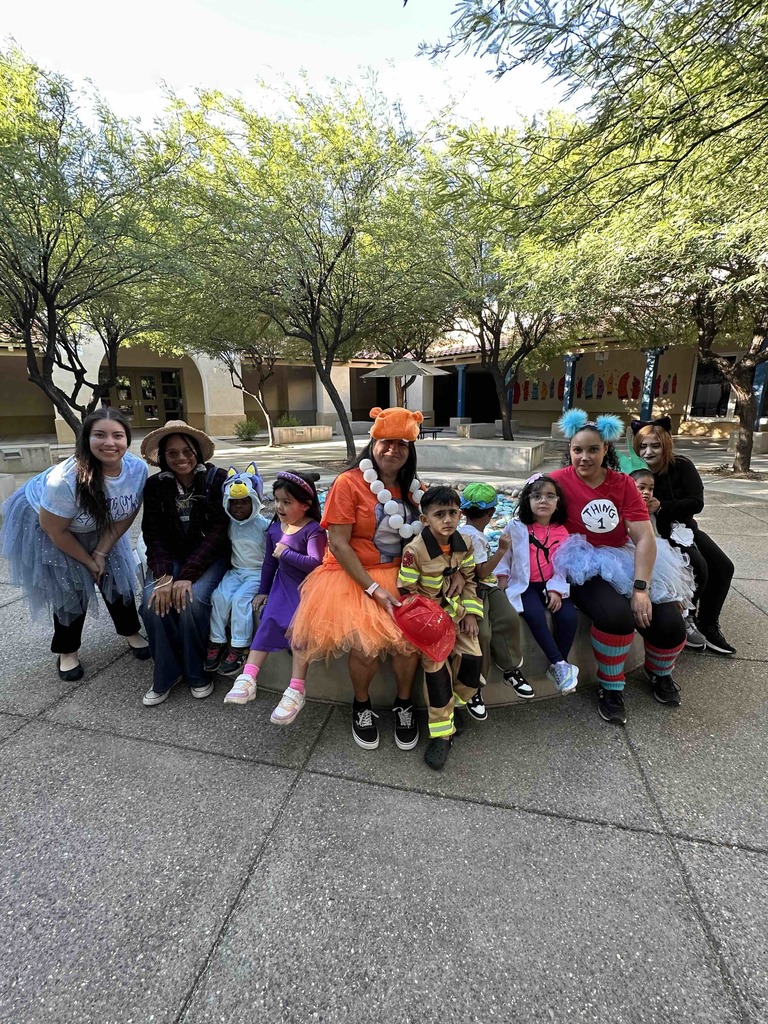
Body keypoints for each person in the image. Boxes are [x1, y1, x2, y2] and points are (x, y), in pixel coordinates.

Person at [288, 406, 435, 752]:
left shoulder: (415, 488)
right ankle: (362, 704)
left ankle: (403, 704)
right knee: (365, 649)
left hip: (404, 577)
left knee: (409, 645)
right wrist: (372, 590)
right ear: (373, 442)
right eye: (386, 442)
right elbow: (338, 544)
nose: (393, 450)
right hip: (354, 578)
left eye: (402, 444)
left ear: (410, 449)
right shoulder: (348, 483)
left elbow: (433, 534)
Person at [549, 409, 687, 725]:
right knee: (616, 617)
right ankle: (611, 688)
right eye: (577, 450)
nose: (584, 457)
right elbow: (529, 517)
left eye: (593, 449)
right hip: (580, 562)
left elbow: (643, 537)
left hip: (623, 557)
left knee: (668, 621)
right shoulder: (555, 482)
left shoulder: (623, 484)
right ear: (569, 450)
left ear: (606, 450)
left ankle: (659, 673)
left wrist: (641, 588)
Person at [1, 407, 148, 680]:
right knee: (71, 586)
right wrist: (89, 561)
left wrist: (102, 552)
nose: (109, 443)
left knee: (118, 577)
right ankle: (67, 651)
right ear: (86, 439)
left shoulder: (137, 469)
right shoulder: (65, 481)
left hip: (101, 525)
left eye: (118, 435)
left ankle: (130, 631)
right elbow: (55, 530)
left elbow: (126, 514)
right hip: (52, 527)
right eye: (99, 435)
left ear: (127, 439)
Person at [222, 470, 326, 724]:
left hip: (308, 587)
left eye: (287, 502)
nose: (279, 506)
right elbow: (269, 563)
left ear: (306, 505)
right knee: (268, 620)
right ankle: (248, 676)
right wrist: (264, 590)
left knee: (300, 629)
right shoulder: (274, 529)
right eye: (277, 500)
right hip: (283, 585)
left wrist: (287, 553)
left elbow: (316, 563)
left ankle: (296, 688)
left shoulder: (313, 530)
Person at [139, 421, 230, 706]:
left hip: (211, 557)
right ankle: (166, 673)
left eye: (187, 451)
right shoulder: (155, 486)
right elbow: (153, 534)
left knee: (192, 599)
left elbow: (218, 532)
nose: (181, 458)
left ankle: (196, 670)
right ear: (163, 457)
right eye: (173, 453)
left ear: (198, 452)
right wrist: (164, 575)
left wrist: (187, 576)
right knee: (152, 600)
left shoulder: (217, 478)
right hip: (172, 559)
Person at [397, 485, 484, 771]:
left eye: (453, 513)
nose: (447, 520)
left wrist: (471, 613)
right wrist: (429, 621)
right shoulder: (414, 551)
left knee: (472, 662)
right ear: (425, 520)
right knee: (437, 678)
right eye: (439, 514)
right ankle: (442, 735)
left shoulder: (465, 544)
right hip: (431, 625)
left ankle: (456, 706)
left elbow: (471, 580)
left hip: (458, 617)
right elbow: (407, 592)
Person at [632, 416, 735, 655]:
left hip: (685, 529)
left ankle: (708, 623)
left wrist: (662, 506)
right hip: (655, 535)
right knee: (698, 565)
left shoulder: (682, 466)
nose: (648, 451)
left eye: (655, 445)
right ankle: (688, 616)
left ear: (666, 445)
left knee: (724, 567)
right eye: (643, 446)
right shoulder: (634, 473)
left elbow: (696, 502)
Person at [498, 474, 579, 695]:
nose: (543, 500)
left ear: (558, 501)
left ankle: (558, 665)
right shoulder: (516, 527)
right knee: (533, 613)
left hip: (551, 583)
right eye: (537, 496)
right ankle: (561, 664)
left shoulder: (561, 531)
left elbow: (562, 565)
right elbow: (504, 556)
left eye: (550, 496)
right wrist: (502, 580)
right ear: (527, 500)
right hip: (525, 585)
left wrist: (555, 589)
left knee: (569, 617)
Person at [458, 482, 532, 699]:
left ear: (462, 512)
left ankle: (510, 669)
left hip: (489, 586)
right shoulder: (472, 537)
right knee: (482, 632)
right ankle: (476, 685)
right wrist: (501, 550)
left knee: (508, 617)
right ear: (491, 512)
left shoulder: (470, 532)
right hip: (475, 588)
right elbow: (480, 573)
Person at [204, 464, 270, 679]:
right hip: (236, 571)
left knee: (241, 600)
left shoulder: (264, 526)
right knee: (220, 596)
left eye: (244, 502)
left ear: (255, 501)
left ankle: (240, 646)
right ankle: (217, 640)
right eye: (234, 503)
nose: (239, 507)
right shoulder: (228, 525)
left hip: (256, 573)